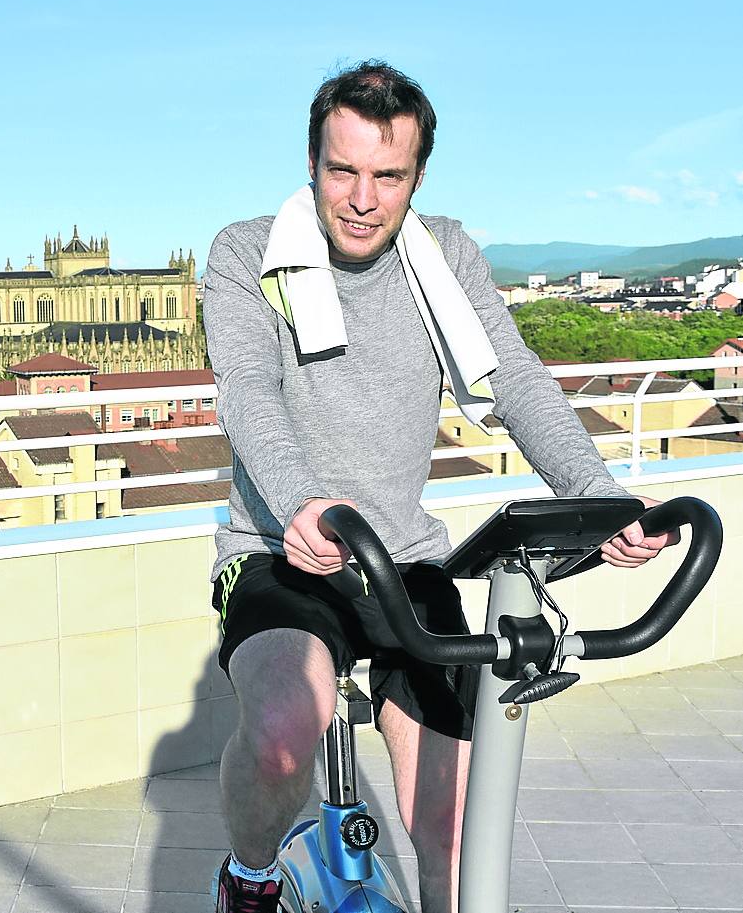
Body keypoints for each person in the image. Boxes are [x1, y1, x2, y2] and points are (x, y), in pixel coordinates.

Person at [203, 60, 675, 913]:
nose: (359, 197)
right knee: (279, 739)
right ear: (310, 163)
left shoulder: (445, 255)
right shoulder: (245, 251)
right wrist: (303, 498)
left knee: (453, 826)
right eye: (341, 170)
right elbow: (246, 388)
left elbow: (518, 383)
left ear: (416, 177)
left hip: (402, 560)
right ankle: (250, 874)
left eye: (387, 176)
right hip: (283, 548)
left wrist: (598, 494)